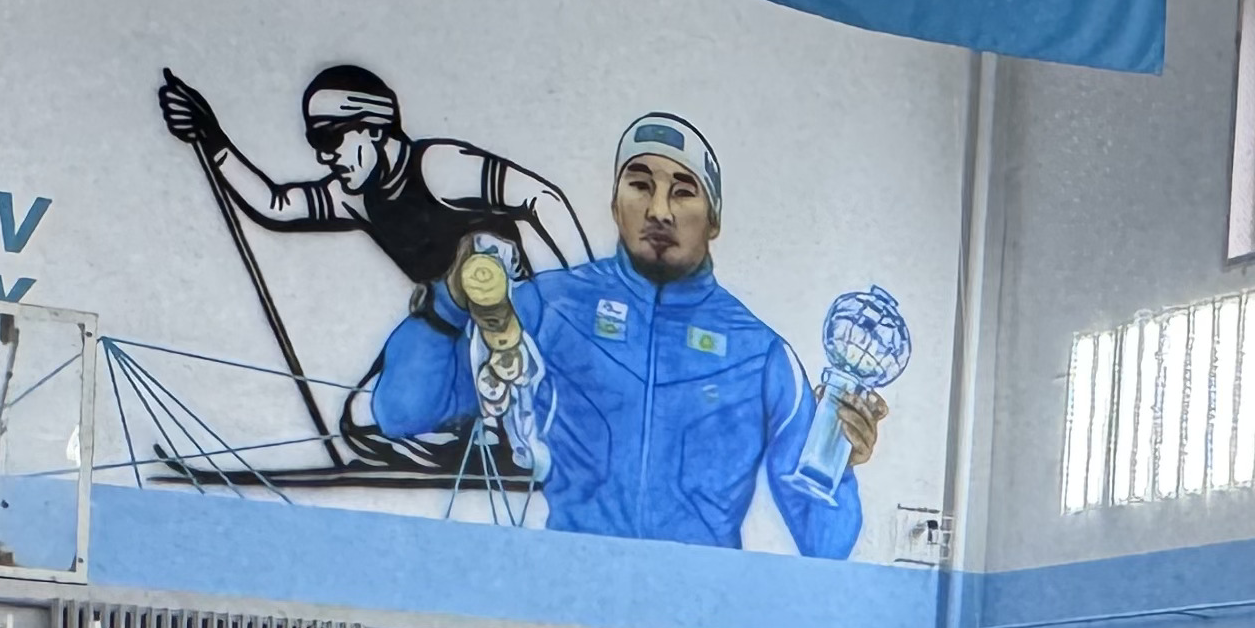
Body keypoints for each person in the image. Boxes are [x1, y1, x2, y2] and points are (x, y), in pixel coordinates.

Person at [369, 113, 881, 557]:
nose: (659, 210)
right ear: (614, 203)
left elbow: (825, 541)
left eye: (683, 191)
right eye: (639, 185)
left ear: (714, 219)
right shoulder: (550, 308)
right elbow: (400, 412)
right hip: (569, 606)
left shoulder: (761, 354)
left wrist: (840, 459)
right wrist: (449, 302)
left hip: (698, 621)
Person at [153, 63, 589, 474]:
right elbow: (277, 205)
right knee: (363, 420)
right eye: (315, 142)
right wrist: (212, 139)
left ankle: (515, 423)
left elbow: (540, 198)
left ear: (374, 128)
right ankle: (473, 439)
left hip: (511, 313)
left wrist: (584, 295)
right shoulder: (355, 196)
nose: (325, 157)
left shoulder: (437, 167)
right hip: (444, 321)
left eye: (330, 138)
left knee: (479, 261)